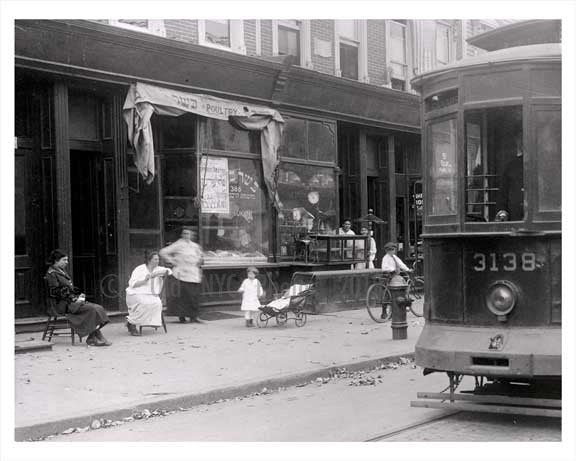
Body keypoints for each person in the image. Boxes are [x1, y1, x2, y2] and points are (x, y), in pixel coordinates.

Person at [44, 249, 111, 346]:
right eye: (64, 260)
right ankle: (97, 336)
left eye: (67, 260)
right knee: (91, 309)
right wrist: (74, 298)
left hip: (69, 301)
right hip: (60, 304)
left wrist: (78, 296)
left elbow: (68, 288)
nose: (67, 262)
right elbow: (56, 292)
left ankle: (92, 337)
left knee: (98, 308)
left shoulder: (61, 271)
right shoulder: (51, 274)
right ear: (56, 260)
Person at [159, 227, 204, 324]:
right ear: (182, 235)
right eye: (185, 233)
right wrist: (172, 261)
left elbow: (200, 256)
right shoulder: (178, 244)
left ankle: (193, 317)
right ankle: (182, 317)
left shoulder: (195, 246)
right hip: (182, 274)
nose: (186, 236)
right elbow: (163, 252)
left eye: (188, 234)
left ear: (191, 235)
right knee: (182, 297)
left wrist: (199, 261)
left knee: (193, 296)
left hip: (193, 274)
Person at [125, 251, 172, 336]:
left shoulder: (158, 269)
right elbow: (132, 284)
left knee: (157, 303)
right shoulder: (140, 269)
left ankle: (148, 322)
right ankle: (132, 324)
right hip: (136, 292)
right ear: (149, 260)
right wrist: (144, 280)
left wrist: (156, 273)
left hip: (151, 294)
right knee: (143, 303)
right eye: (155, 259)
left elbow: (169, 271)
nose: (157, 261)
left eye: (158, 259)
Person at [496, 138, 524, 221]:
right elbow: (503, 191)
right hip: (514, 216)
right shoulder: (511, 166)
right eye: (521, 143)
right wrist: (502, 211)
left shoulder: (543, 165)